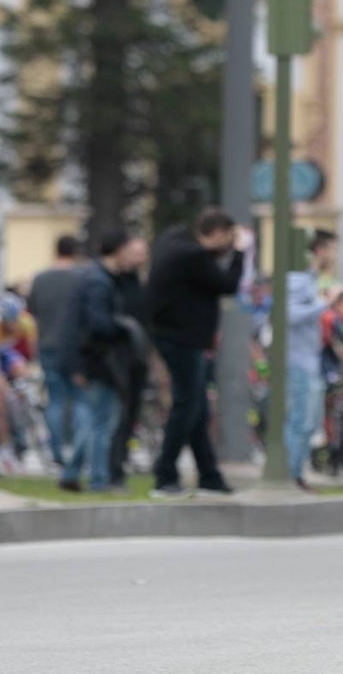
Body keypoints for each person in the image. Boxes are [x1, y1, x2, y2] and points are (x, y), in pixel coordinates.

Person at [145, 207, 251, 498]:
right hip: (184, 341)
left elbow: (206, 273)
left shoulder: (175, 242)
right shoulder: (193, 257)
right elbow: (227, 284)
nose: (229, 244)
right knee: (186, 406)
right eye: (227, 238)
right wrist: (241, 252)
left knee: (198, 410)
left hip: (175, 338)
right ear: (216, 233)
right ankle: (165, 475)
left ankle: (209, 476)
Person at [56, 229, 145, 492]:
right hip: (100, 360)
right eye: (131, 249)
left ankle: (71, 472)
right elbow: (97, 324)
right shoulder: (100, 281)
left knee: (97, 419)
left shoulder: (99, 277)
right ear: (119, 250)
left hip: (93, 359)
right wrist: (122, 326)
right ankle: (99, 479)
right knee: (103, 422)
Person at [27, 234, 84, 465]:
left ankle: (57, 453)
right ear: (75, 252)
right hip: (77, 347)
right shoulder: (82, 277)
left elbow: (31, 311)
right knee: (80, 399)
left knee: (55, 400)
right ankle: (80, 451)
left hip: (48, 345)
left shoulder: (40, 279)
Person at [286, 233, 330, 492]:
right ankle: (292, 475)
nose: (333, 256)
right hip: (298, 361)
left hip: (309, 360)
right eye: (330, 250)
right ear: (318, 251)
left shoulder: (309, 280)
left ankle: (297, 473)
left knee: (309, 421)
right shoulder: (297, 280)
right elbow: (290, 314)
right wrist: (325, 303)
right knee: (300, 420)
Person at [0, 292, 39, 471]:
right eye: (9, 322)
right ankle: (5, 450)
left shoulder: (27, 322)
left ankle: (26, 416)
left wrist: (29, 376)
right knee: (0, 401)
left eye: (15, 321)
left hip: (3, 350)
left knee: (21, 368)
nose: (13, 326)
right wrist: (5, 390)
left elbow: (32, 354)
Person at [107, 236, 150, 488]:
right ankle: (112, 468)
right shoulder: (114, 283)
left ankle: (119, 461)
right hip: (119, 358)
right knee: (118, 415)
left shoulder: (139, 284)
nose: (140, 258)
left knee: (130, 413)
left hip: (137, 357)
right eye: (136, 252)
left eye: (143, 253)